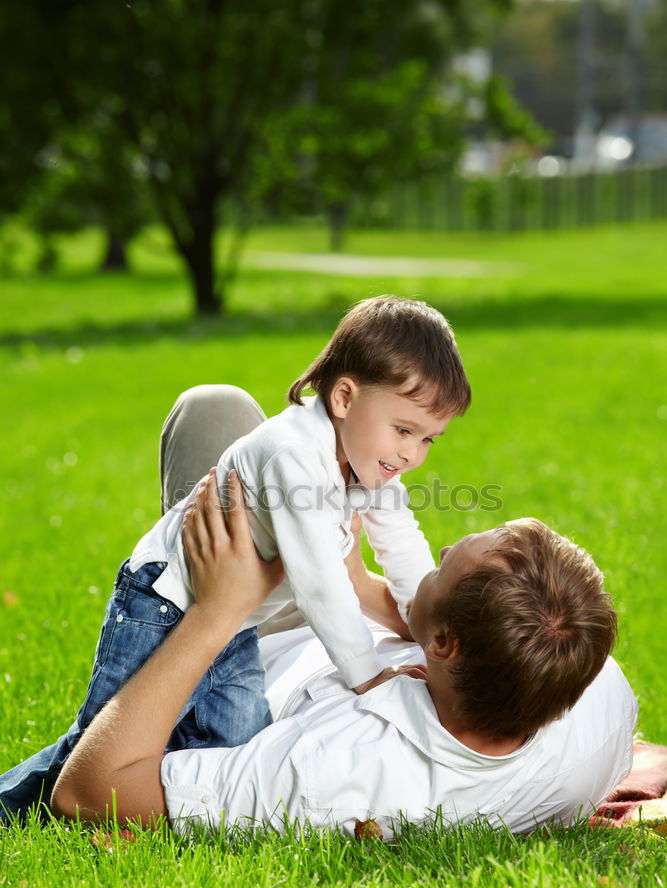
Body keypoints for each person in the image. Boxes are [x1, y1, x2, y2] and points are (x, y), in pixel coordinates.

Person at [0, 296, 470, 823]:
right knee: (102, 739)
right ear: (343, 397)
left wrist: (432, 627)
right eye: (404, 430)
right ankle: (19, 803)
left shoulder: (369, 460)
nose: (412, 453)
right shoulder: (294, 455)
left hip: (241, 618)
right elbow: (319, 582)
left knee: (236, 740)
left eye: (429, 439)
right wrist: (365, 676)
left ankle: (153, 806)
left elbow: (403, 546)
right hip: (164, 600)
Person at [50, 464, 638, 837]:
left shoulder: (331, 774)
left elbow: (83, 792)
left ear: (442, 645)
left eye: (442, 566)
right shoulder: (591, 691)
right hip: (324, 625)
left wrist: (216, 612)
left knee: (218, 415)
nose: (444, 547)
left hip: (244, 647)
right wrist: (356, 587)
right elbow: (501, 642)